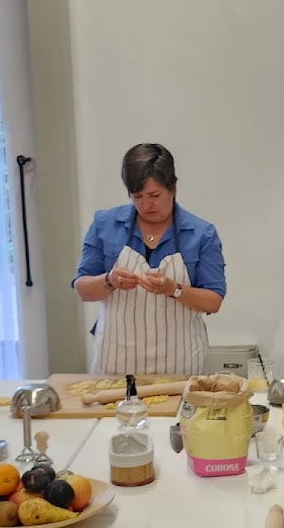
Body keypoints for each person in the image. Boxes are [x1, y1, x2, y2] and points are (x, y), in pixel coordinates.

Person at [73, 143, 226, 376]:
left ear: (173, 187)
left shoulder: (201, 233)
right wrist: (109, 280)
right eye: (138, 196)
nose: (146, 205)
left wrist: (173, 289)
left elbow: (213, 301)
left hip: (179, 362)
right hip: (116, 362)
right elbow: (83, 290)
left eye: (155, 195)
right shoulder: (104, 225)